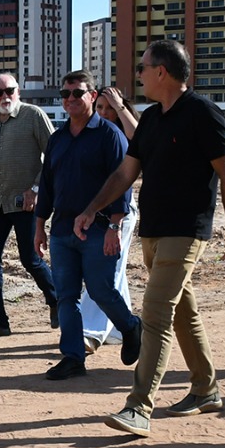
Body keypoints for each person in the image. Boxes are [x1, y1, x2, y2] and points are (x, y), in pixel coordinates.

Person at [75, 39, 225, 438]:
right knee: (183, 311)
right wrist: (91, 208)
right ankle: (206, 389)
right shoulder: (153, 119)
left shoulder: (202, 112)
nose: (137, 74)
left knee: (155, 314)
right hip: (153, 230)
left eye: (142, 68)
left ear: (162, 72)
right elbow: (125, 173)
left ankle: (139, 406)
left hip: (186, 230)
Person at [32, 71, 143, 380]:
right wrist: (39, 226)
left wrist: (114, 227)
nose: (69, 99)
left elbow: (123, 182)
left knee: (100, 289)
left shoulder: (110, 135)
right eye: (64, 94)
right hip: (62, 229)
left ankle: (131, 326)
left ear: (92, 96)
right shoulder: (58, 138)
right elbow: (47, 186)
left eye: (77, 93)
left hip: (99, 227)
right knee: (66, 296)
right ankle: (73, 357)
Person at [0, 73, 59, 338]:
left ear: (18, 91)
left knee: (30, 259)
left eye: (10, 90)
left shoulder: (33, 115)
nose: (5, 96)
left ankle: (57, 301)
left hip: (26, 203)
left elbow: (55, 156)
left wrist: (36, 189)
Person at [80, 85, 140, 354]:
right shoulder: (90, 133)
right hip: (93, 210)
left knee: (104, 271)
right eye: (100, 107)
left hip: (121, 210)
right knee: (114, 269)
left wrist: (120, 107)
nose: (104, 113)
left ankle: (90, 331)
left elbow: (141, 139)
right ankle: (119, 328)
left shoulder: (123, 134)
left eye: (110, 108)